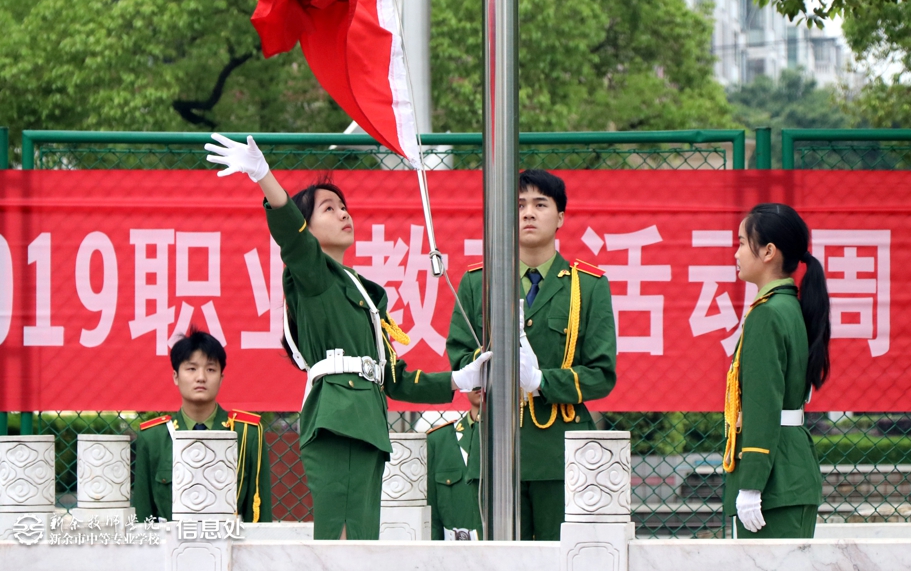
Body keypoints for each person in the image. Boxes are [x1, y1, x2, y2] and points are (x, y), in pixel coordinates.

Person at [204, 134, 491, 541]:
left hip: (367, 422)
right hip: (339, 419)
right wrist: (264, 176)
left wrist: (460, 379)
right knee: (342, 540)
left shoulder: (363, 293)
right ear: (308, 226)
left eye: (344, 207)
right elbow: (292, 237)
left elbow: (394, 378)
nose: (342, 214)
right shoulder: (314, 275)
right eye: (328, 208)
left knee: (361, 539)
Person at [446, 169, 617, 541]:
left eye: (540, 204)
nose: (528, 213)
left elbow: (601, 374)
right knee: (499, 561)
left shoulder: (588, 286)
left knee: (564, 557)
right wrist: (480, 374)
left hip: (561, 450)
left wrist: (542, 382)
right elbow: (459, 353)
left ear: (560, 217)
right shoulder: (478, 281)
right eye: (519, 204)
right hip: (495, 449)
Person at [723, 203, 830, 538]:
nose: (737, 253)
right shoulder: (787, 307)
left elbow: (763, 405)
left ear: (768, 252)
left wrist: (751, 484)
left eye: (743, 243)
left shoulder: (767, 314)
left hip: (773, 482)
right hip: (788, 470)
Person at [133, 330, 272, 523]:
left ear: (221, 378)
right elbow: (143, 514)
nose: (201, 377)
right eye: (191, 369)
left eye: (210, 369)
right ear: (175, 376)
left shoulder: (246, 433)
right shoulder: (153, 438)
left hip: (230, 538)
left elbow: (259, 514)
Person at [426, 389, 483, 540]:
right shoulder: (439, 440)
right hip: (455, 549)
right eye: (475, 378)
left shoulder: (522, 436)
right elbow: (431, 515)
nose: (481, 384)